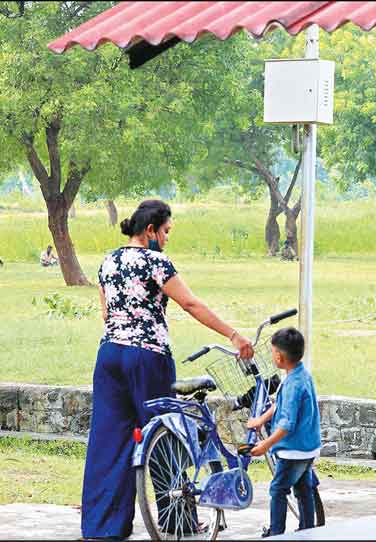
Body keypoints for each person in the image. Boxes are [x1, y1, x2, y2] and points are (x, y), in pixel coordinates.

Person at [81, 199, 253, 540]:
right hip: (147, 357)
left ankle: (102, 526)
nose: (167, 237)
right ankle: (178, 520)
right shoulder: (155, 261)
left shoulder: (108, 261)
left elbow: (105, 314)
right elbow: (189, 302)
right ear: (150, 231)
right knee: (165, 433)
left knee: (108, 440)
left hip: (110, 356)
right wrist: (233, 334)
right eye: (166, 231)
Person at [247, 327, 321, 538]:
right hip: (308, 447)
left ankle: (277, 533)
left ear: (279, 356)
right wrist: (261, 420)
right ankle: (308, 530)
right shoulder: (301, 375)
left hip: (293, 450)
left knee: (278, 490)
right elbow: (279, 406)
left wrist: (265, 445)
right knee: (303, 488)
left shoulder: (292, 384)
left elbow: (286, 424)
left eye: (272, 352)